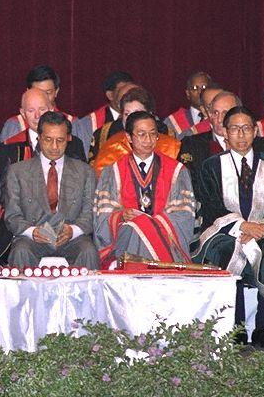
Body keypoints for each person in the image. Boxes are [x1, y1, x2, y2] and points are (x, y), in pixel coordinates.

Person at [192, 107, 264, 347]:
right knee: (225, 250)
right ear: (225, 132)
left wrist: (260, 228)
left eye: (246, 128)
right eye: (235, 128)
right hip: (223, 231)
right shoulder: (210, 166)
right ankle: (235, 328)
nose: (241, 134)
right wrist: (241, 226)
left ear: (255, 131)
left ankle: (262, 328)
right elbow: (210, 205)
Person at [94, 111, 195, 267]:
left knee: (137, 228)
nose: (148, 140)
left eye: (152, 134)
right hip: (126, 240)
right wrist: (121, 216)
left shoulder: (176, 171)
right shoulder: (112, 172)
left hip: (165, 244)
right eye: (141, 134)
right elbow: (103, 217)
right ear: (129, 137)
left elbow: (183, 216)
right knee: (131, 230)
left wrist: (147, 225)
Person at [5, 112, 99, 268]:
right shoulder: (17, 171)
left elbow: (90, 212)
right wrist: (32, 231)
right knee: (21, 250)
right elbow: (12, 214)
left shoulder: (85, 171)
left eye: (60, 140)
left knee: (88, 251)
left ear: (68, 139)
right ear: (39, 138)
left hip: (72, 238)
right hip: (32, 237)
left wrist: (73, 230)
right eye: (48, 140)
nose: (54, 147)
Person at [178, 91, 264, 198]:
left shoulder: (260, 145)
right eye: (215, 113)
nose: (219, 119)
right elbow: (188, 184)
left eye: (225, 113)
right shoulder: (193, 145)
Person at [92, 86, 181, 177]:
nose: (131, 119)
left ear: (150, 115)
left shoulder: (171, 147)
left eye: (138, 113)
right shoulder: (111, 148)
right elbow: (102, 184)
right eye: (127, 114)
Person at [0, 87, 86, 175]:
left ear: (51, 109)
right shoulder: (8, 148)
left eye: (42, 109)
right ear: (23, 113)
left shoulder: (73, 144)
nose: (37, 116)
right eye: (31, 110)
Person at [0, 65, 76, 143]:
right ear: (27, 92)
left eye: (47, 93)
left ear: (56, 92)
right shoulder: (15, 125)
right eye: (37, 92)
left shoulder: (71, 123)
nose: (42, 97)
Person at [73, 70, 134, 158]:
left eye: (132, 91)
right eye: (122, 92)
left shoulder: (148, 121)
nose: (129, 96)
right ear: (110, 95)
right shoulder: (86, 125)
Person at [163, 71, 212, 139]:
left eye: (204, 87)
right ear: (188, 93)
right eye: (195, 88)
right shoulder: (173, 121)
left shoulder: (219, 118)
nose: (200, 92)